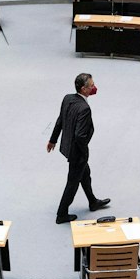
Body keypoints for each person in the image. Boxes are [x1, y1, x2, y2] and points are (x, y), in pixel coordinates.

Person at [47, 72, 109, 224]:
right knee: (73, 183)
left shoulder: (68, 98)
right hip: (77, 153)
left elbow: (60, 119)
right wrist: (85, 153)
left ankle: (92, 201)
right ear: (84, 89)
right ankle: (61, 214)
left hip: (69, 147)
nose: (94, 87)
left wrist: (53, 140)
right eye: (92, 85)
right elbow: (81, 136)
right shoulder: (84, 109)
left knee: (85, 175)